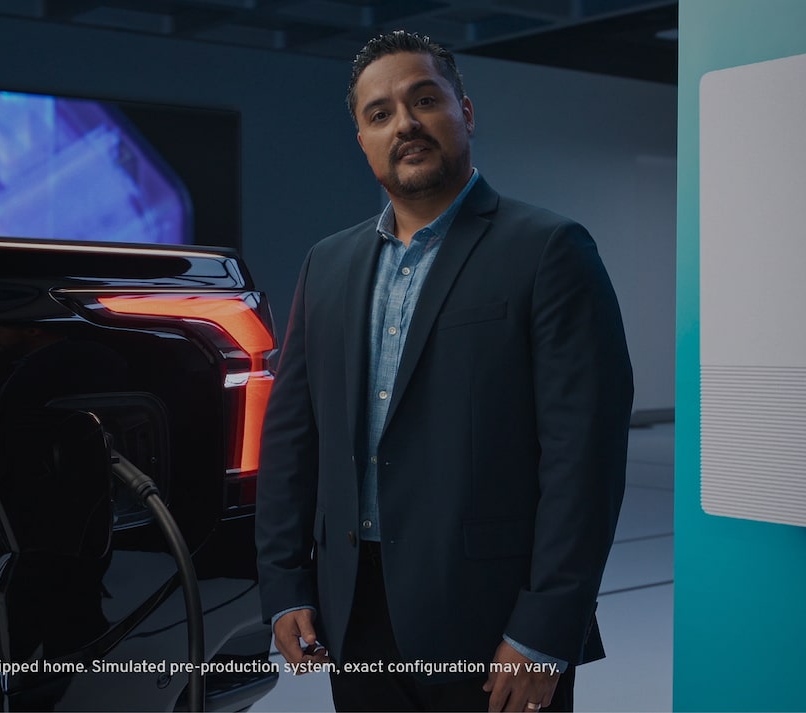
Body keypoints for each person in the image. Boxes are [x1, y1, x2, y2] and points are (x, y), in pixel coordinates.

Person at [255, 31, 633, 712]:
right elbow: (291, 439)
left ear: (465, 111)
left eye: (424, 99)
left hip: (491, 623)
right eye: (379, 113)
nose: (404, 123)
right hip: (354, 612)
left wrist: (545, 628)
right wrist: (285, 584)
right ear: (363, 139)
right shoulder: (326, 264)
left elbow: (585, 460)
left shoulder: (550, 250)